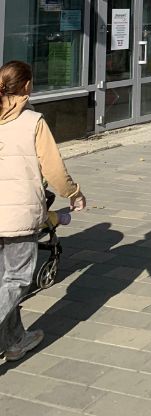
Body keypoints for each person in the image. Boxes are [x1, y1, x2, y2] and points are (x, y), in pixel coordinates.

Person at [0, 61, 86, 364]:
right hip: (18, 217)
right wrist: (74, 194)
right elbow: (54, 170)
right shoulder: (33, 122)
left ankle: (14, 341)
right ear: (26, 86)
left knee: (3, 281)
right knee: (16, 280)